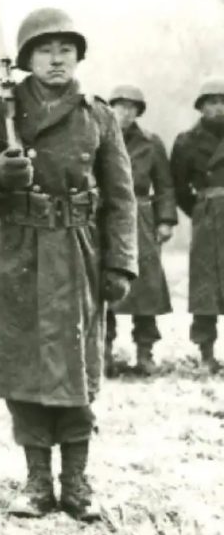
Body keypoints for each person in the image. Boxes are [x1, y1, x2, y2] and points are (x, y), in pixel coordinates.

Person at [0, 7, 137, 521]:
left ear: (78, 57)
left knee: (77, 367)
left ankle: (76, 483)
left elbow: (121, 197)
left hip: (79, 250)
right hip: (20, 251)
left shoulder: (98, 115)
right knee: (25, 367)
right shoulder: (3, 110)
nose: (57, 60)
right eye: (45, 50)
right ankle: (37, 482)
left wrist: (120, 264)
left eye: (66, 50)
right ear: (27, 59)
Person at [104, 85, 176, 376]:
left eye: (132, 107)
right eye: (120, 106)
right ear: (111, 109)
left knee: (146, 287)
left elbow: (165, 185)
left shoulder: (151, 142)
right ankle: (103, 352)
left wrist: (166, 220)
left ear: (138, 112)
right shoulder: (99, 138)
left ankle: (145, 353)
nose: (126, 112)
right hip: (107, 217)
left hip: (142, 218)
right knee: (105, 283)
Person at [170, 77, 224, 374]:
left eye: (223, 102)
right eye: (212, 102)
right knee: (206, 287)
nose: (219, 108)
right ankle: (206, 353)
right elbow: (179, 188)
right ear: (201, 107)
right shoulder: (186, 142)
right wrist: (202, 211)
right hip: (207, 221)